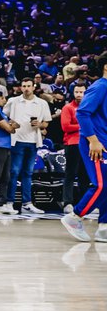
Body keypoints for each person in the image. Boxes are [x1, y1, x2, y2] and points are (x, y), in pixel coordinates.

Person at [61, 52, 107, 243]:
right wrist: (93, 140)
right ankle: (75, 217)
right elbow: (83, 113)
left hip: (103, 142)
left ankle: (104, 226)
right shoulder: (100, 87)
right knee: (100, 184)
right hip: (95, 144)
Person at [3, 78, 51, 215]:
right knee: (14, 172)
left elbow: (46, 123)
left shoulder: (41, 103)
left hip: (34, 141)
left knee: (28, 173)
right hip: (16, 140)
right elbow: (3, 116)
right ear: (20, 87)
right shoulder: (13, 101)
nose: (26, 88)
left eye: (29, 86)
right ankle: (9, 203)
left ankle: (27, 203)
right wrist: (10, 122)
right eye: (24, 86)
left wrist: (40, 125)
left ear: (34, 87)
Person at [61, 83, 89, 213]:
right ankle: (67, 202)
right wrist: (83, 125)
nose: (79, 94)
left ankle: (84, 204)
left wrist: (78, 125)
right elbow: (66, 127)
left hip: (87, 144)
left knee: (85, 175)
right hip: (72, 144)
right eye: (77, 92)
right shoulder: (68, 108)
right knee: (70, 174)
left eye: (81, 92)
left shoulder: (90, 107)